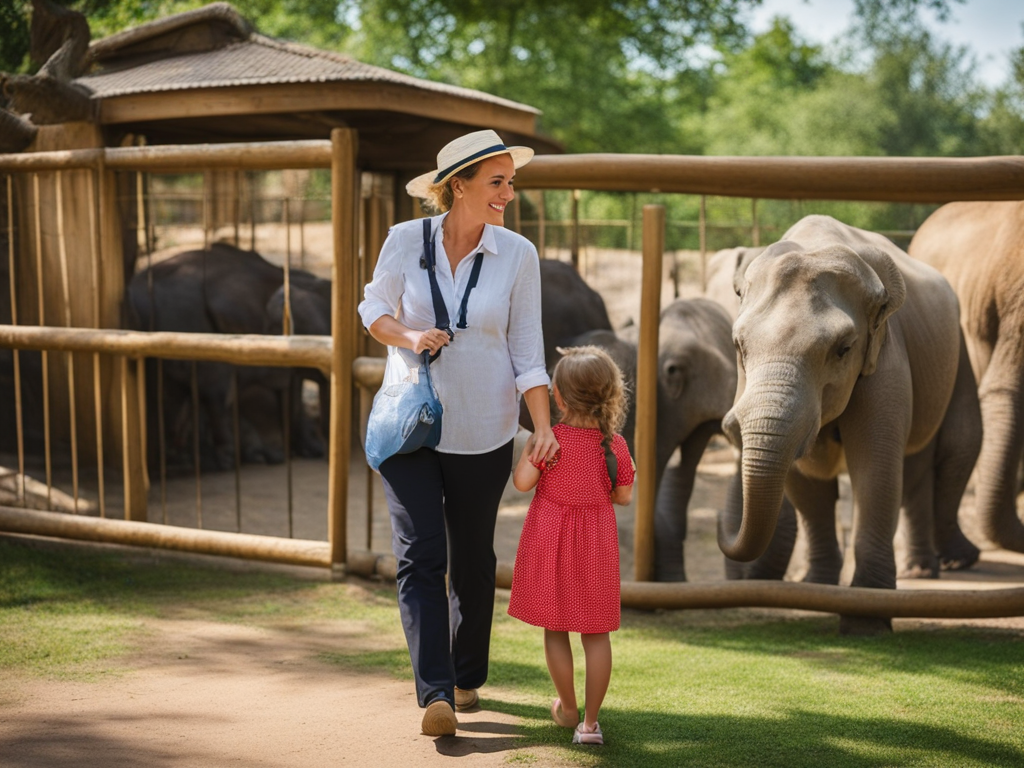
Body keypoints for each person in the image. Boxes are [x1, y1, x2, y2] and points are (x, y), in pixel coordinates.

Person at [358, 129, 559, 737]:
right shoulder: (403, 241)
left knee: (472, 560)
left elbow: (527, 350)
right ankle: (436, 695)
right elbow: (373, 311)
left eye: (511, 181)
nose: (508, 192)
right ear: (459, 186)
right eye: (496, 181)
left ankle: (468, 675)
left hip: (485, 429)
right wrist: (410, 337)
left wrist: (542, 427)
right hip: (410, 425)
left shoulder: (518, 255)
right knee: (421, 555)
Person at [507, 345, 635, 747]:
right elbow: (625, 495)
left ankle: (566, 708)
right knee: (596, 634)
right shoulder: (615, 446)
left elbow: (522, 483)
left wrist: (531, 448)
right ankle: (591, 725)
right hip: (596, 544)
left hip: (552, 541)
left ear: (557, 397)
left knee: (555, 627)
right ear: (610, 395)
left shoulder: (550, 441)